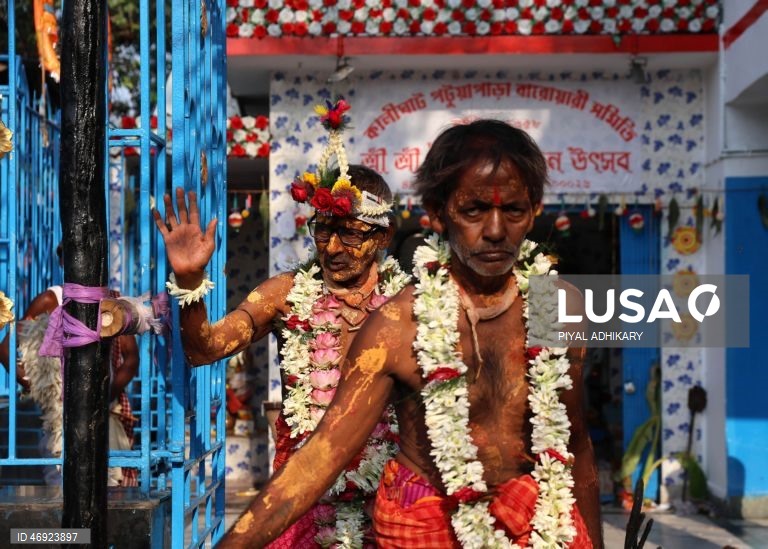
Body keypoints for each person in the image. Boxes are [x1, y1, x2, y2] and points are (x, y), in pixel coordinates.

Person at [218, 119, 602, 548]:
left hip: (537, 523)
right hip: (423, 528)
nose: (495, 230)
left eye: (512, 209)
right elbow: (318, 461)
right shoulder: (398, 326)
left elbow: (575, 442)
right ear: (437, 214)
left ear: (533, 210)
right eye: (473, 210)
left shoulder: (558, 305)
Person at [154, 100, 410, 548]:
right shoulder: (285, 293)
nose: (332, 248)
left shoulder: (413, 305)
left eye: (349, 233)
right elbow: (204, 349)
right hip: (299, 502)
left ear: (383, 236)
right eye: (322, 231)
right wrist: (190, 280)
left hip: (392, 500)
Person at [0, 245, 140, 486]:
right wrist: (43, 390)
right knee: (62, 489)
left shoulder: (114, 301)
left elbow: (131, 358)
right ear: (62, 263)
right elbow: (6, 349)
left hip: (104, 413)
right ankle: (65, 527)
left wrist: (106, 394)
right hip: (61, 418)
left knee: (112, 490)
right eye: (73, 257)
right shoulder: (49, 299)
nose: (81, 263)